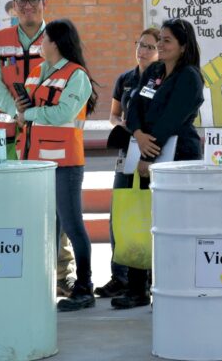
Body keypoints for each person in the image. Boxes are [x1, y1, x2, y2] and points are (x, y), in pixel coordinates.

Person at [0, 0, 77, 298]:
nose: (27, 6)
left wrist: (36, 113)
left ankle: (62, 274)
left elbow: (70, 78)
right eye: (21, 1)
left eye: (34, 0)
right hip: (10, 133)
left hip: (47, 132)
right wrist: (16, 111)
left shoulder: (58, 38)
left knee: (54, 204)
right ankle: (18, 271)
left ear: (44, 3)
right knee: (12, 201)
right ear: (13, 5)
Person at [113, 18, 204, 309]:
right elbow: (135, 105)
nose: (161, 45)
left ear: (183, 46)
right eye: (160, 39)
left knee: (172, 224)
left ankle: (171, 286)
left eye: (167, 41)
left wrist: (147, 156)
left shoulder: (189, 76)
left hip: (176, 156)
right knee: (141, 219)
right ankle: (137, 288)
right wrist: (137, 134)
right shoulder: (153, 71)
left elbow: (172, 120)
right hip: (141, 146)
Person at [15, 18, 99, 312]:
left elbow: (64, 112)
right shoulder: (37, 72)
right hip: (36, 163)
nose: (40, 42)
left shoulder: (77, 76)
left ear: (56, 43)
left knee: (72, 225)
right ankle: (44, 282)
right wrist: (22, 112)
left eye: (44, 38)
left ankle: (85, 287)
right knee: (46, 227)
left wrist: (30, 114)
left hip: (65, 164)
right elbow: (27, 112)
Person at [94, 27, 161, 299]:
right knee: (120, 213)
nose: (142, 51)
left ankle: (150, 276)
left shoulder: (162, 79)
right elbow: (113, 114)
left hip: (152, 152)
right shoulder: (125, 79)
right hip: (127, 152)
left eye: (149, 46)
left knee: (150, 214)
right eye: (140, 44)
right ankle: (119, 276)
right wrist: (123, 126)